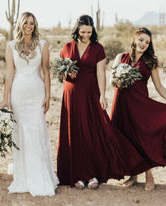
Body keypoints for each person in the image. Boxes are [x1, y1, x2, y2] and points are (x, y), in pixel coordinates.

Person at [57, 15, 149, 190]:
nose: (85, 35)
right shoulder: (68, 47)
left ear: (93, 31)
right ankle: (75, 174)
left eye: (89, 32)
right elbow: (62, 73)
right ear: (77, 30)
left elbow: (101, 73)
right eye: (82, 32)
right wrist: (65, 71)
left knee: (91, 132)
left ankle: (92, 173)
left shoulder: (98, 48)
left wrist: (102, 95)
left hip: (90, 94)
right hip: (71, 94)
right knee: (74, 132)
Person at [110, 27, 166, 190]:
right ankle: (132, 175)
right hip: (121, 102)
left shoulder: (151, 62)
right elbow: (111, 80)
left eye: (147, 42)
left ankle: (149, 175)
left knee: (143, 137)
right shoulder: (120, 57)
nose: (143, 44)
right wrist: (118, 80)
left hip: (140, 104)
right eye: (141, 40)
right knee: (125, 136)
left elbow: (159, 86)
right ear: (134, 39)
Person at [1, 12, 59, 196]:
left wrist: (48, 95)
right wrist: (5, 98)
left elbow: (46, 71)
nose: (29, 26)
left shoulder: (43, 45)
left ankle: (40, 174)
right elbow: (9, 74)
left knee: (36, 131)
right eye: (25, 22)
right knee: (21, 133)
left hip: (36, 92)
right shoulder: (10, 46)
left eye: (32, 23)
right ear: (20, 24)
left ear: (35, 25)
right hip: (18, 94)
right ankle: (23, 174)